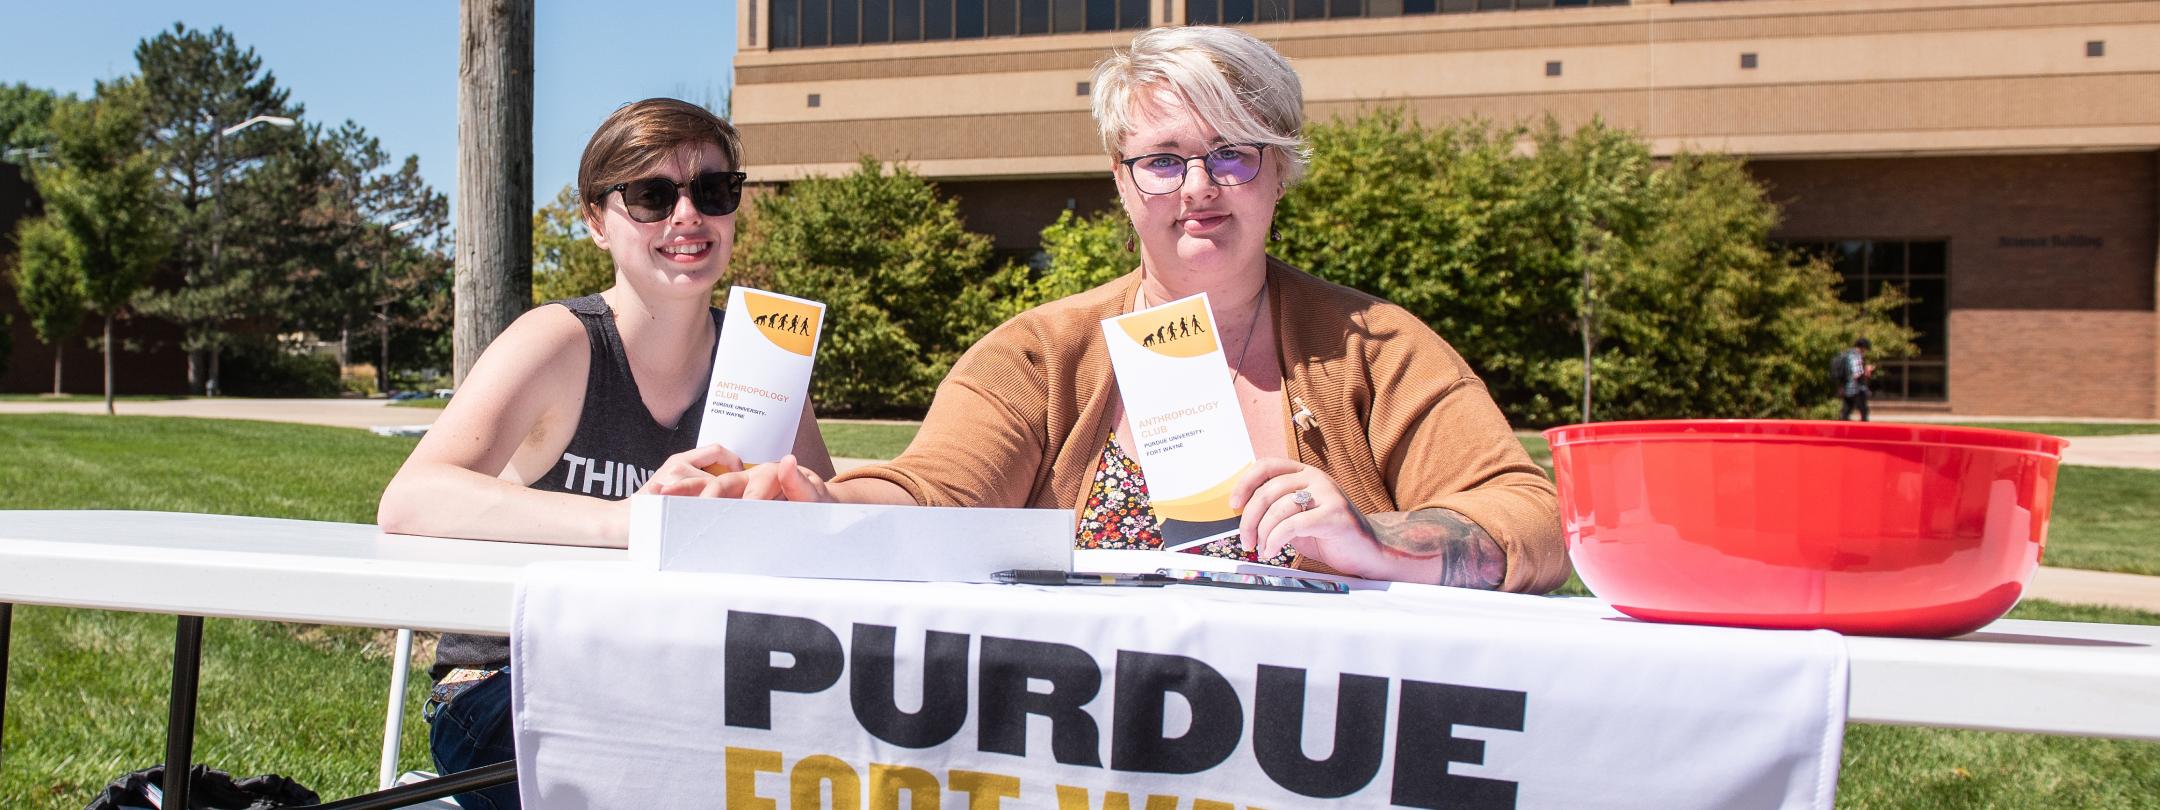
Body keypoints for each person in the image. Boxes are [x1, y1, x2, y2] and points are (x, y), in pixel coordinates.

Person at [729, 27, 1566, 593]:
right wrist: (817, 500)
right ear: (1123, 183)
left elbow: (1529, 518)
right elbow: (937, 490)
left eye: (1232, 156)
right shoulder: (1036, 354)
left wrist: (1379, 543)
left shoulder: (1377, 347)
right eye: (1162, 161)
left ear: (1281, 174)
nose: (1198, 189)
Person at [375, 98, 833, 809]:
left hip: (689, 678)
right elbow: (411, 499)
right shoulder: (558, 341)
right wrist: (628, 520)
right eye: (652, 196)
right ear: (596, 220)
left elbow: (827, 539)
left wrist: (801, 504)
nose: (687, 217)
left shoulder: (763, 358)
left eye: (712, 191)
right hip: (511, 683)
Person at [1838, 337, 1874, 421]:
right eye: (1865, 349)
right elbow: (1857, 374)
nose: (1865, 351)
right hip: (1856, 389)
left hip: (1847, 388)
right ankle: (1864, 431)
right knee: (1864, 412)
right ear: (1862, 347)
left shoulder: (1847, 355)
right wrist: (1867, 370)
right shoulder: (1856, 357)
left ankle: (1841, 431)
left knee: (1846, 412)